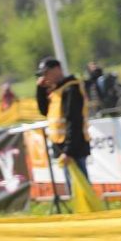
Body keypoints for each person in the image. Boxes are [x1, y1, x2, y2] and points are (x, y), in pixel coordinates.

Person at [35, 56, 91, 190]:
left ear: (57, 70)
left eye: (46, 73)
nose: (44, 77)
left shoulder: (71, 89)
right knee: (73, 188)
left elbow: (74, 121)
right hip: (61, 145)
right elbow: (44, 111)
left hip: (73, 146)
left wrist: (68, 151)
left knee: (81, 188)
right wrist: (40, 90)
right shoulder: (57, 91)